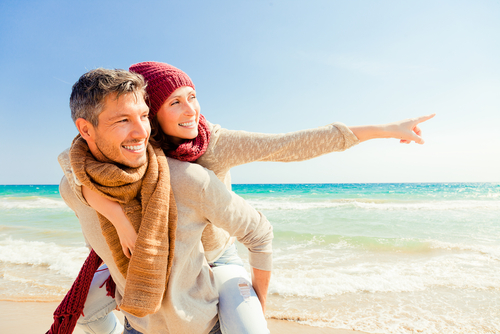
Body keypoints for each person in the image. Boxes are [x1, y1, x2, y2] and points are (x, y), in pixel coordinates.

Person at [71, 61, 435, 334]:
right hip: (165, 253)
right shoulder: (137, 142)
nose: (190, 111)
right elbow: (76, 169)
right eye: (174, 102)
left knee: (249, 327)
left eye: (192, 97)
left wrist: (383, 130)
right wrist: (116, 218)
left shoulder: (213, 143)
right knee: (81, 305)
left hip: (216, 256)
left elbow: (291, 146)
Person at [57, 68, 274, 334]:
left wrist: (258, 310)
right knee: (83, 311)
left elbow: (259, 232)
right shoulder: (74, 189)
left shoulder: (188, 179)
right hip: (137, 326)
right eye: (123, 120)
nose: (140, 132)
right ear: (85, 129)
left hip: (205, 327)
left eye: (144, 116)